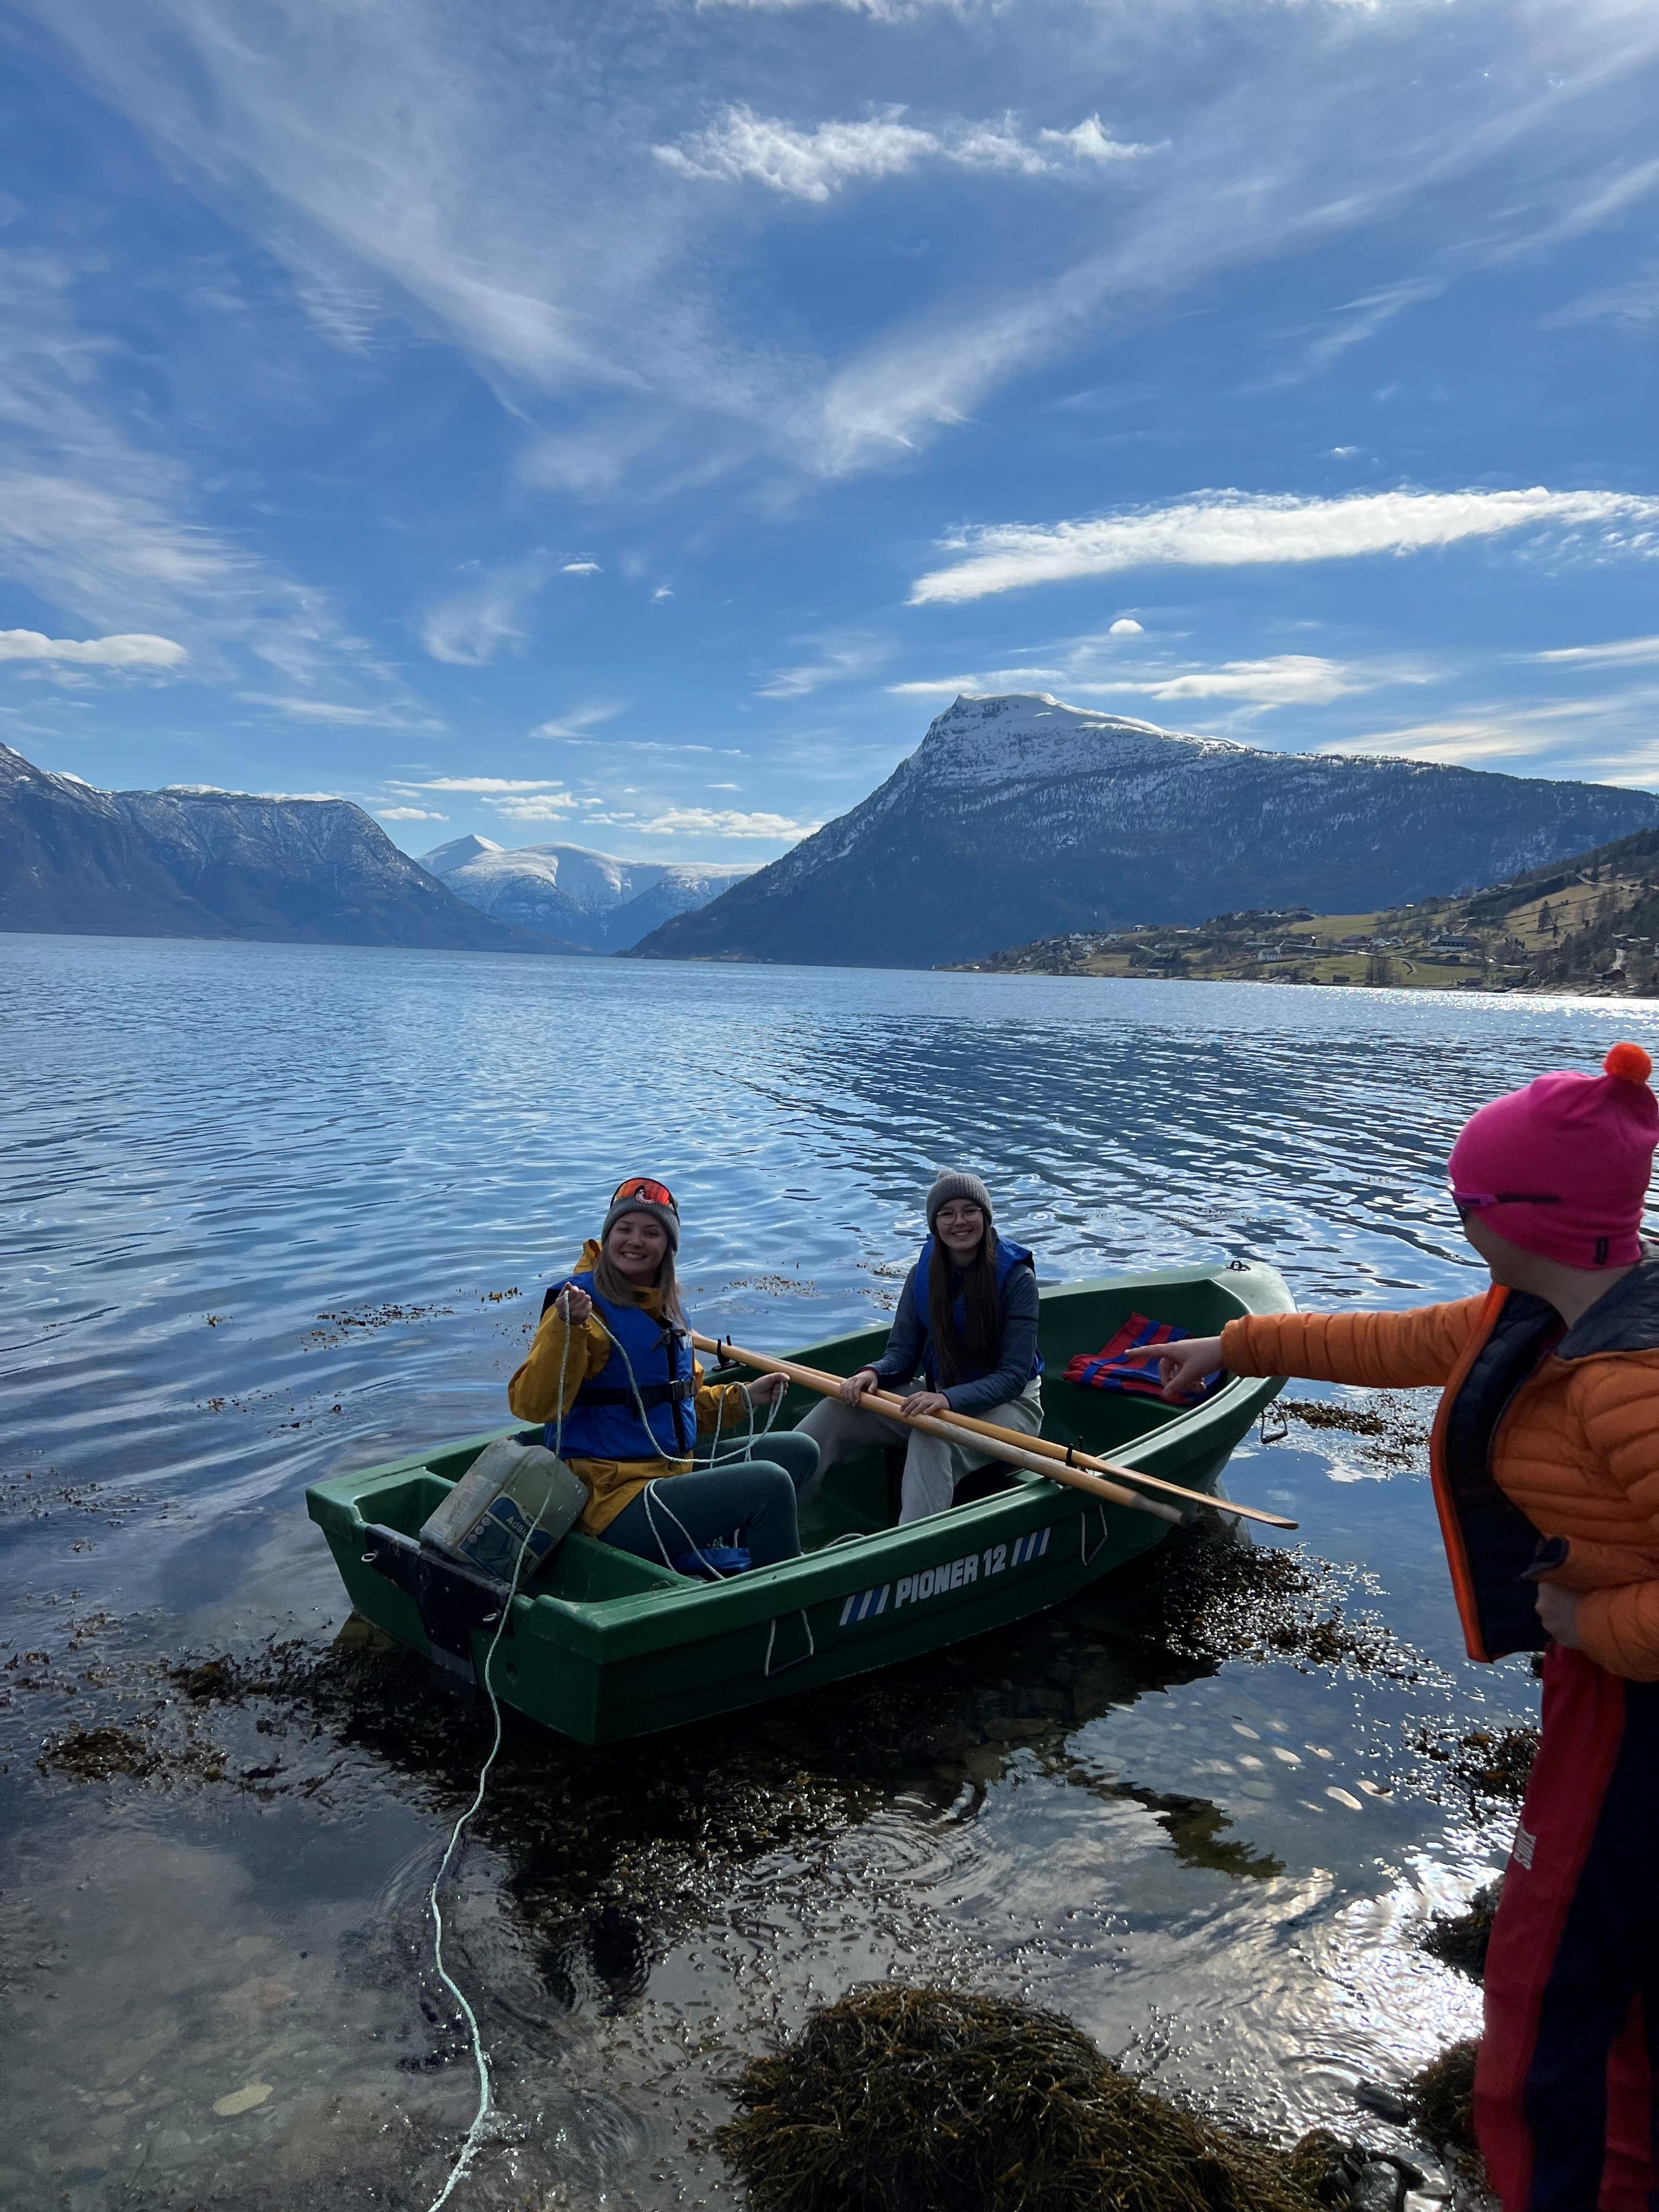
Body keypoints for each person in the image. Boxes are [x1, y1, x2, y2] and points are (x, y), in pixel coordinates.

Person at [1131, 1044, 1659, 2212]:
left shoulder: (1628, 1381)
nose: (1456, 1210)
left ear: (1527, 1219)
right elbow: (1391, 1344)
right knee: (1623, 1998)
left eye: (1470, 1197)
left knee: (1544, 1989)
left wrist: (1598, 1619)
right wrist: (1236, 1346)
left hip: (1634, 1712)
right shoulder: (1536, 1315)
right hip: (1611, 1695)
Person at [507, 1176, 817, 1572]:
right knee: (769, 1485)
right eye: (625, 1229)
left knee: (799, 1452)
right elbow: (534, 1405)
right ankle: (784, 1602)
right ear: (608, 1235)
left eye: (651, 1232)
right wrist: (565, 1327)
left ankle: (733, 1564)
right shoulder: (581, 1310)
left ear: (668, 1247)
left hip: (669, 1471)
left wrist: (743, 1397)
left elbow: (673, 1405)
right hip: (609, 1502)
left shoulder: (666, 1309)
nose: (636, 1241)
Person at [797, 1171, 1043, 1523]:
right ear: (934, 1223)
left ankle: (905, 1556)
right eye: (947, 1214)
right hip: (941, 1395)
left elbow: (1013, 1376)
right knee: (836, 1410)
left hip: (1011, 1406)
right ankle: (763, 1519)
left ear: (986, 1217)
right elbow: (902, 1353)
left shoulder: (1018, 1279)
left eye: (970, 1211)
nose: (959, 1222)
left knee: (933, 1433)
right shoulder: (923, 1274)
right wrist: (874, 1372)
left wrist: (948, 1401)